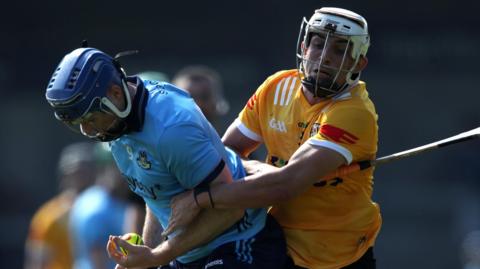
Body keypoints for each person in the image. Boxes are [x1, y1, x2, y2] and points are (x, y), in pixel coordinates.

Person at [166, 7, 381, 269]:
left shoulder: (354, 113)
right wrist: (267, 170)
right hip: (275, 244)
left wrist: (199, 199)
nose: (325, 57)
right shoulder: (276, 87)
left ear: (358, 63)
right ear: (304, 44)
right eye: (318, 44)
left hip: (338, 257)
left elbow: (285, 186)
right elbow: (224, 153)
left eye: (339, 50)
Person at [44, 46, 287, 269]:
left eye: (90, 119)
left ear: (115, 93)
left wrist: (158, 256)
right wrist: (146, 257)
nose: (88, 131)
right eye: (79, 125)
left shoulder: (171, 129)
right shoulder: (118, 122)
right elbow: (156, 195)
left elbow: (231, 208)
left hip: (240, 243)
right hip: (188, 252)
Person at [69, 142, 145, 269]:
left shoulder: (118, 201)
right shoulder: (96, 209)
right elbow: (98, 261)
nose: (130, 171)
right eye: (122, 165)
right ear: (107, 167)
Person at [24, 142, 96, 269]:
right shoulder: (49, 216)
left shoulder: (106, 209)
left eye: (86, 171)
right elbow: (37, 260)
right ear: (64, 175)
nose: (81, 177)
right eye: (76, 172)